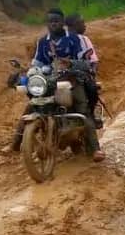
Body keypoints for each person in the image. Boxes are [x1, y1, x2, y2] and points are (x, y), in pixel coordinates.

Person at [7, 8, 104, 161]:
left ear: (62, 23)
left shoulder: (74, 39)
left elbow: (86, 62)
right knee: (32, 106)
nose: (54, 24)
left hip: (72, 81)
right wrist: (25, 74)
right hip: (50, 82)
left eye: (57, 21)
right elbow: (37, 64)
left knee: (82, 110)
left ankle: (95, 149)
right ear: (47, 23)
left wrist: (71, 63)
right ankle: (15, 143)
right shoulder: (42, 42)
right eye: (51, 21)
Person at [65, 13, 102, 127]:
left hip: (78, 77)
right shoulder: (83, 39)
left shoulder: (83, 39)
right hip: (63, 77)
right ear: (73, 25)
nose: (85, 26)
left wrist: (92, 71)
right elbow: (93, 61)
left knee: (92, 90)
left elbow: (93, 61)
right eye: (82, 23)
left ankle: (91, 114)